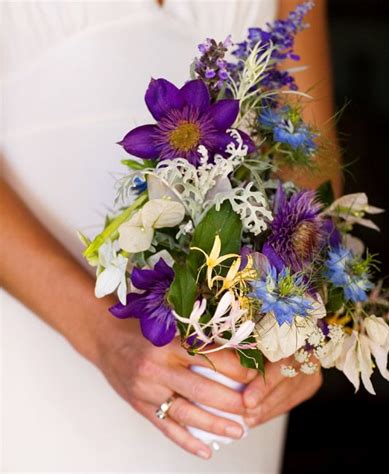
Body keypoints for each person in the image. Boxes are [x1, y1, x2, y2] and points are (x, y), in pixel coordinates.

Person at [0, 0, 338, 471]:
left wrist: (303, 315)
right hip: (34, 337)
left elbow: (306, 145)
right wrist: (103, 335)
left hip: (229, 374)